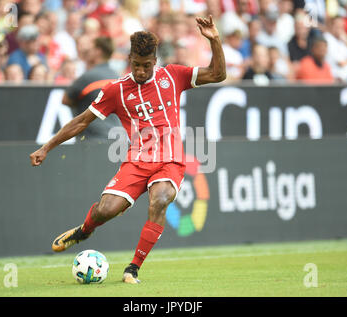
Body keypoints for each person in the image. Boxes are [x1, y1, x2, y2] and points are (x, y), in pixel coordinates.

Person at [29, 15, 226, 284]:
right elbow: (81, 121)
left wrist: (215, 40)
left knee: (160, 199)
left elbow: (218, 74)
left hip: (170, 159)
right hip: (137, 161)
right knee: (105, 210)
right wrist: (47, 147)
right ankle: (85, 230)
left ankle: (132, 268)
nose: (141, 71)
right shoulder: (116, 90)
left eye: (146, 65)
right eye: (136, 65)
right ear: (129, 60)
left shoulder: (172, 76)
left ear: (155, 61)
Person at [62, 36, 120, 140]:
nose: (87, 52)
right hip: (118, 139)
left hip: (92, 139)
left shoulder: (87, 78)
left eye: (91, 49)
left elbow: (65, 100)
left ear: (98, 51)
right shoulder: (118, 77)